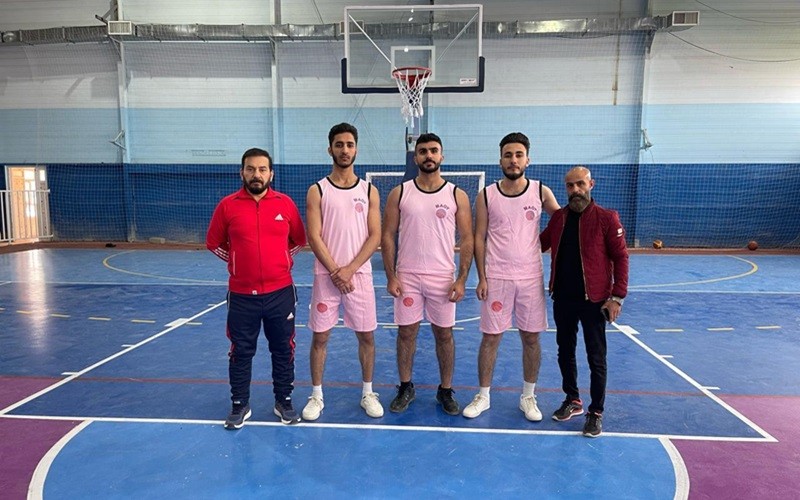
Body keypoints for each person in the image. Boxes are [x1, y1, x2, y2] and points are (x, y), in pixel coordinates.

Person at [206, 147, 307, 429]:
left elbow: (299, 240)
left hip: (280, 293)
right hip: (241, 296)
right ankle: (240, 404)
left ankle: (284, 401)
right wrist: (237, 262)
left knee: (283, 349)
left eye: (262, 169)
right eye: (250, 169)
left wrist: (281, 261)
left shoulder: (285, 204)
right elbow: (213, 243)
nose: (256, 174)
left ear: (271, 174)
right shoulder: (227, 206)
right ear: (242, 173)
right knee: (241, 351)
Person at [462, 132, 560, 421]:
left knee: (531, 338)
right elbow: (479, 238)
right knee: (490, 337)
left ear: (528, 160)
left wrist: (543, 245)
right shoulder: (487, 195)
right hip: (497, 277)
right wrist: (481, 277)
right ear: (500, 160)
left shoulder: (540, 191)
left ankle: (528, 396)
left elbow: (562, 222)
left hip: (530, 278)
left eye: (518, 155)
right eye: (508, 155)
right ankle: (483, 395)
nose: (513, 160)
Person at [381, 132, 474, 416]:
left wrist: (462, 279)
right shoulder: (400, 192)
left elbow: (468, 239)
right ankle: (405, 386)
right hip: (407, 276)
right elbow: (387, 235)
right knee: (406, 333)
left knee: (444, 335)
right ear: (416, 157)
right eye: (423, 151)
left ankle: (445, 389)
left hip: (442, 278)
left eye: (434, 150)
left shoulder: (456, 194)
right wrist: (391, 275)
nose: (428, 155)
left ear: (442, 156)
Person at [302, 123, 384, 421]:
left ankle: (367, 393)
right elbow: (314, 236)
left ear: (356, 149)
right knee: (320, 338)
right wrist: (336, 271)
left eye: (349, 145)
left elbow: (375, 236)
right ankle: (316, 395)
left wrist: (349, 269)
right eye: (339, 144)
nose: (345, 150)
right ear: (330, 149)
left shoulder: (369, 190)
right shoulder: (317, 190)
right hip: (327, 276)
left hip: (358, 276)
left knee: (367, 337)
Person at [540, 166, 629, 438]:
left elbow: (621, 257)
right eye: (570, 186)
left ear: (591, 184)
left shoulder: (606, 218)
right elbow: (538, 244)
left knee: (596, 357)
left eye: (580, 184)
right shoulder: (559, 219)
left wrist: (617, 297)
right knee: (564, 351)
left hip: (595, 301)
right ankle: (573, 399)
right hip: (563, 298)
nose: (575, 190)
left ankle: (596, 411)